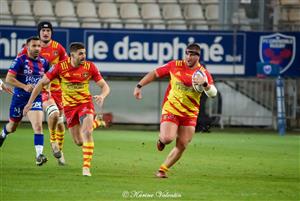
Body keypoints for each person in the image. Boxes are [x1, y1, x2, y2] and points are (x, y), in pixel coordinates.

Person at [23, 42, 110, 176]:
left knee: (87, 132)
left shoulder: (90, 67)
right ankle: (97, 122)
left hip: (85, 104)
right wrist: (29, 103)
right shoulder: (60, 67)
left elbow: (104, 86)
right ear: (72, 55)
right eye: (81, 54)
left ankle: (86, 168)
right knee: (79, 141)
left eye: (85, 53)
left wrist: (103, 95)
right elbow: (41, 83)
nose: (84, 56)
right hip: (69, 108)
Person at [133, 43, 218, 178]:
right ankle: (161, 140)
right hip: (171, 109)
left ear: (198, 56)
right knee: (167, 138)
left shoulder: (203, 74)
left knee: (182, 144)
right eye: (187, 53)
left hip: (190, 114)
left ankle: (162, 170)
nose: (188, 57)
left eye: (192, 54)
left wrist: (205, 84)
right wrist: (139, 86)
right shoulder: (175, 65)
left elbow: (213, 93)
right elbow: (155, 73)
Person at [18, 21, 68, 164]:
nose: (45, 33)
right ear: (39, 32)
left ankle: (60, 149)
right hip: (42, 89)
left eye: (48, 30)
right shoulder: (29, 49)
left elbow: (65, 69)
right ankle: (52, 142)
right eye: (43, 30)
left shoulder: (59, 48)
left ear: (51, 33)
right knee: (53, 113)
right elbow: (19, 64)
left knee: (60, 123)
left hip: (58, 90)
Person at [0, 36, 50, 166]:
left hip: (35, 97)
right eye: (34, 46)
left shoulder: (44, 62)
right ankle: (3, 133)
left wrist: (47, 88)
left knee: (38, 126)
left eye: (39, 46)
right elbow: (9, 79)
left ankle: (39, 155)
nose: (37, 48)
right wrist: (24, 86)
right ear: (27, 47)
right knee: (12, 127)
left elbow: (47, 78)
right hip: (19, 98)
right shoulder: (20, 60)